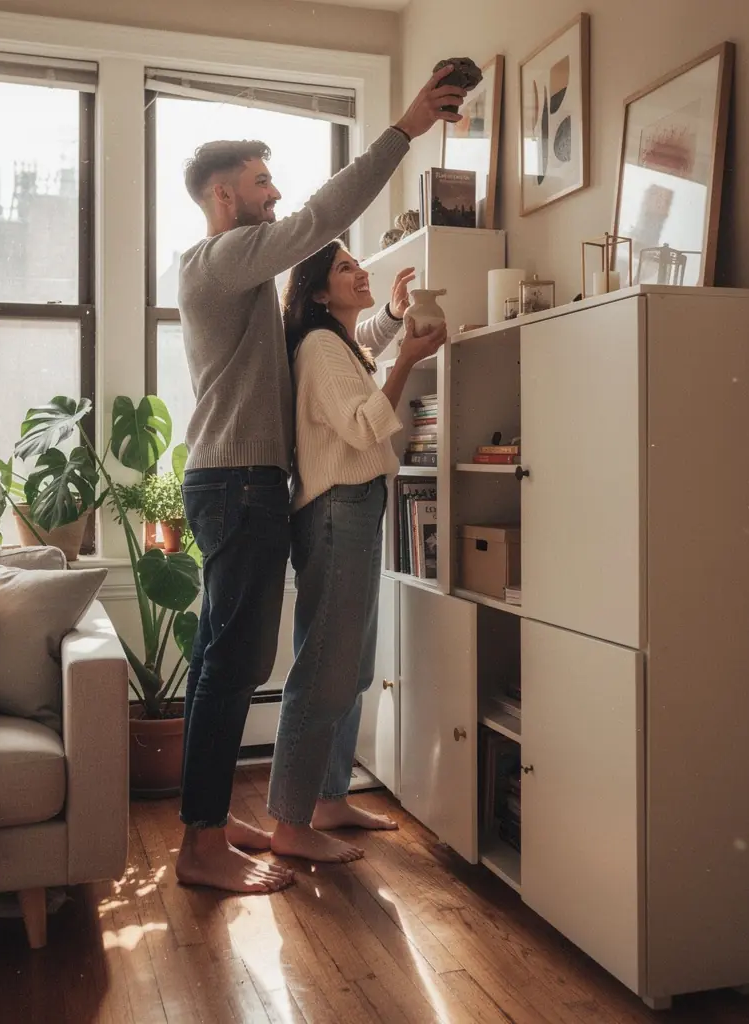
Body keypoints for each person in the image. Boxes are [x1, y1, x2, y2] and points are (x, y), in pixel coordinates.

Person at [175, 67, 466, 895]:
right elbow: (322, 219)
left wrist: (385, 325)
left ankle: (206, 820)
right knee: (235, 664)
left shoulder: (238, 282)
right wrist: (404, 129)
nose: (277, 194)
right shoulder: (224, 258)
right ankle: (200, 846)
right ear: (226, 196)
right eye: (262, 182)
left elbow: (320, 341)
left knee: (219, 660)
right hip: (237, 482)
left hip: (237, 481)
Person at [268, 242, 446, 862]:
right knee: (325, 671)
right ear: (319, 292)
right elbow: (366, 424)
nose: (359, 272)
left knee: (353, 668)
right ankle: (291, 823)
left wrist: (395, 324)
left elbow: (366, 350)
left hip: (355, 507)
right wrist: (407, 360)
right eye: (346, 269)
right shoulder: (320, 347)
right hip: (338, 510)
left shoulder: (340, 343)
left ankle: (327, 799)